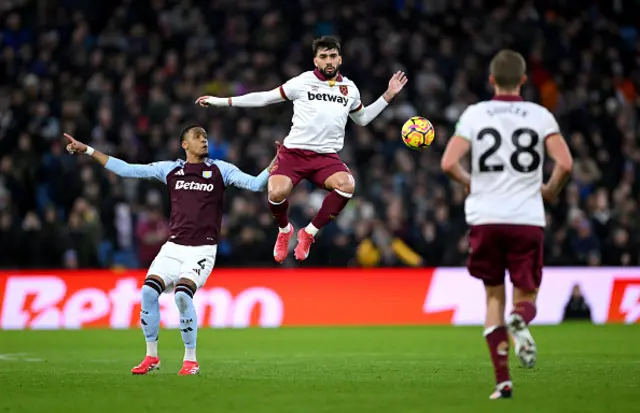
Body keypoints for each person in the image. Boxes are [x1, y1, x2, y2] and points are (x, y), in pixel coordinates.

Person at [64, 126, 276, 375]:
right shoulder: (171, 169)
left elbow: (255, 184)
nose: (203, 140)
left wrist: (276, 163)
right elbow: (127, 169)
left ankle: (190, 360)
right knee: (147, 292)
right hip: (173, 248)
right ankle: (151, 356)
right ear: (184, 144)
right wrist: (88, 150)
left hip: (201, 250)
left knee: (182, 296)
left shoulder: (221, 169)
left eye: (205, 136)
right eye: (197, 137)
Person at [195, 35, 407, 263]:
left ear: (340, 60)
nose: (328, 61)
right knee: (276, 192)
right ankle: (285, 230)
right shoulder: (303, 81)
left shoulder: (350, 89)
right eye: (323, 56)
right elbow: (265, 98)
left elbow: (362, 120)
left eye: (333, 56)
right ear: (315, 61)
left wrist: (388, 95)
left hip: (325, 157)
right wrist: (222, 101)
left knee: (347, 185)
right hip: (293, 154)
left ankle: (308, 233)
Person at [440, 49, 573, 399]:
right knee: (525, 294)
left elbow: (448, 162)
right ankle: (521, 318)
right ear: (524, 81)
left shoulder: (474, 114)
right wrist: (548, 190)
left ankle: (503, 382)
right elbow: (566, 163)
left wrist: (469, 180)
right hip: (526, 217)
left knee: (492, 297)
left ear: (491, 80)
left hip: (485, 217)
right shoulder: (540, 115)